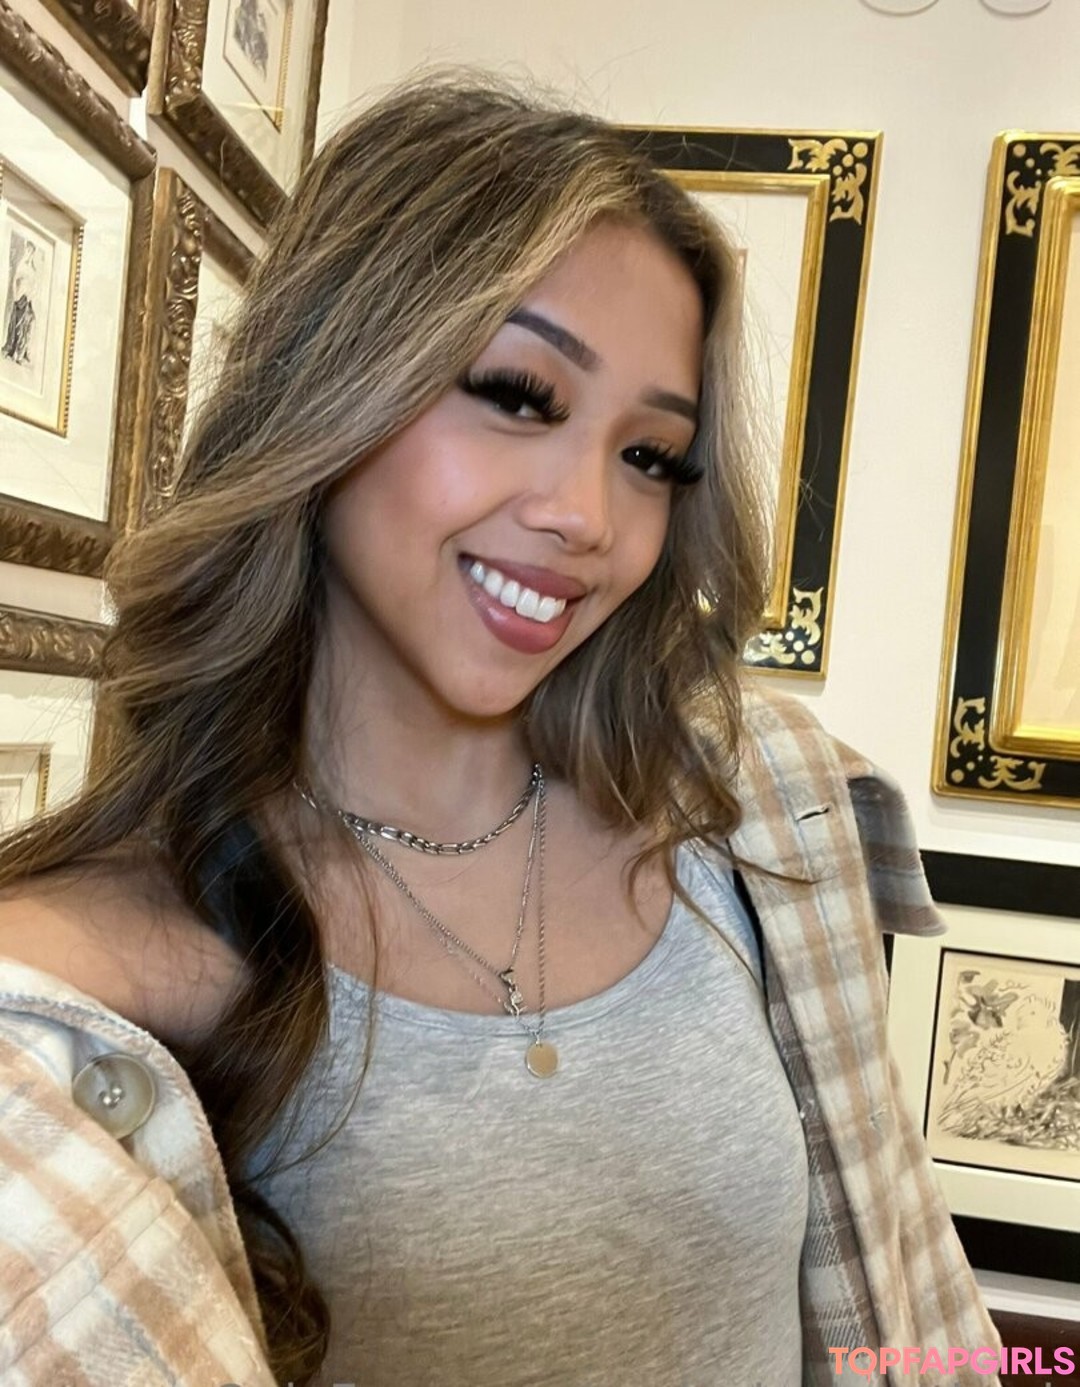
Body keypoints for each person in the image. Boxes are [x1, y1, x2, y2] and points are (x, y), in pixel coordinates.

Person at [0, 75, 999, 1386]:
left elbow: (896, 1289)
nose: (588, 515)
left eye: (651, 457)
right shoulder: (78, 995)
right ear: (327, 384)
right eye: (521, 394)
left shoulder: (749, 814)